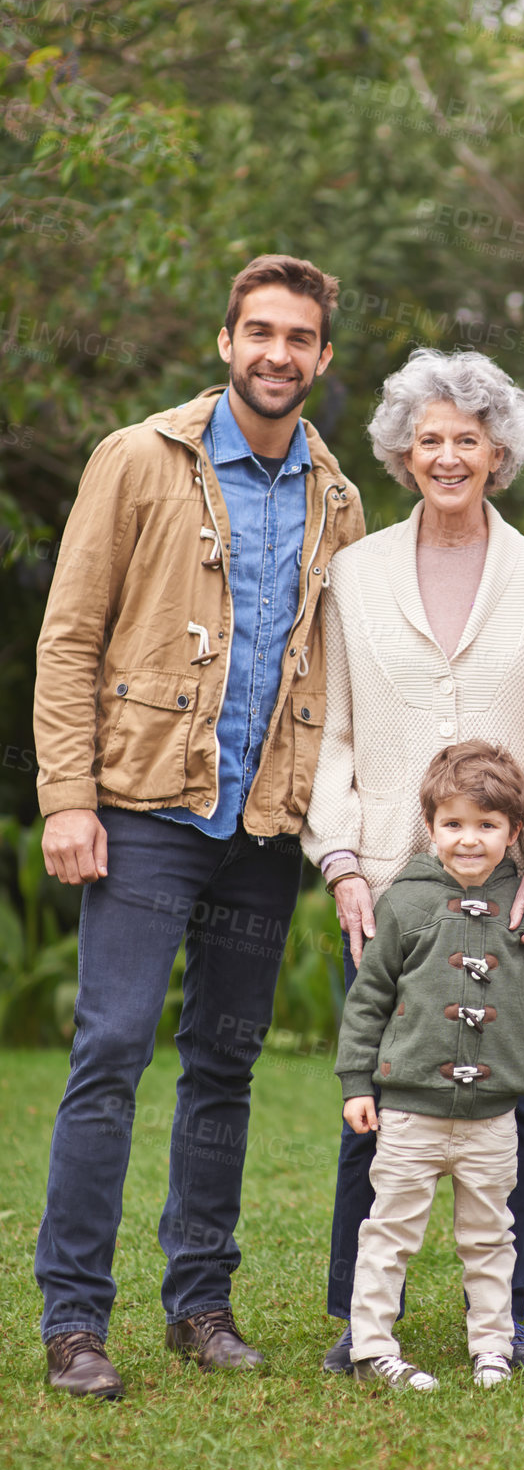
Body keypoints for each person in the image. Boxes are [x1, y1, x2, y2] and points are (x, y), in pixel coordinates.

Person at [33, 254, 365, 1399]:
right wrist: (67, 796)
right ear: (227, 342)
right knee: (112, 1050)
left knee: (223, 1061)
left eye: (300, 337)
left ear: (323, 358)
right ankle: (75, 1317)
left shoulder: (338, 496)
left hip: (263, 824)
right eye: (258, 331)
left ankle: (201, 1303)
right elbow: (70, 636)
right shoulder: (137, 458)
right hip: (144, 809)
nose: (278, 352)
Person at [302, 348, 524, 1375]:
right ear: (403, 453)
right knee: (377, 1091)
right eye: (431, 438)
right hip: (387, 881)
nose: (449, 454)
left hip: (506, 885)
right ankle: (356, 1319)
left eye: (469, 437)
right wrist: (340, 862)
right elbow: (329, 730)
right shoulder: (355, 571)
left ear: (498, 450)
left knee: (512, 1101)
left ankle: (502, 1319)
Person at [336, 741, 524, 1390]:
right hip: (408, 1109)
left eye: (487, 826)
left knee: (490, 1238)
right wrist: (356, 1083)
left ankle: (493, 1344)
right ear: (430, 827)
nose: (468, 839)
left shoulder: (522, 904)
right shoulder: (404, 901)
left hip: (493, 1117)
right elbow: (367, 998)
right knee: (388, 1233)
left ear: (515, 832)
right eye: (454, 824)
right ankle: (372, 1346)